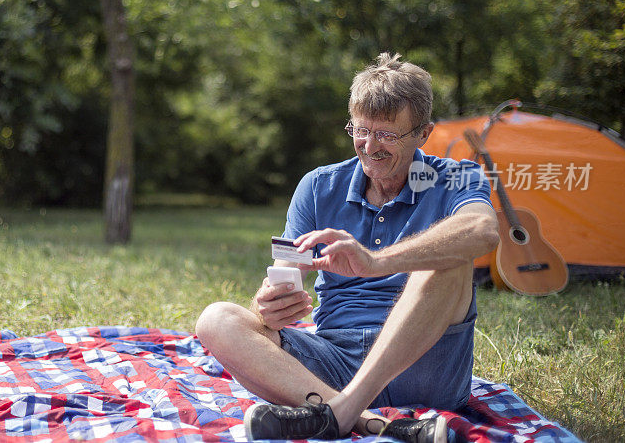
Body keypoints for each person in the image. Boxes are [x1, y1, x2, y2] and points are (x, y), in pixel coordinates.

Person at [195, 53, 500, 443]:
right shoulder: (319, 186)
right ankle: (365, 419)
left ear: (424, 134)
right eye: (360, 130)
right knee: (217, 319)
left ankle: (339, 412)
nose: (369, 146)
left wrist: (375, 261)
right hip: (332, 361)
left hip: (428, 364)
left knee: (447, 258)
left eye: (387, 135)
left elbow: (482, 229)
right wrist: (268, 306)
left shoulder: (457, 175)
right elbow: (283, 277)